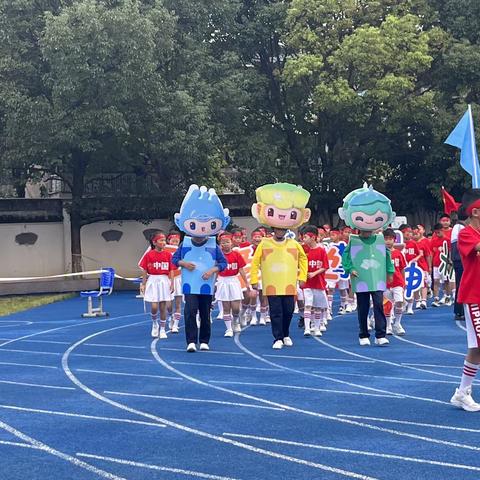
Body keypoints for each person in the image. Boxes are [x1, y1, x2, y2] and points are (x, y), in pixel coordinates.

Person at [250, 182, 310, 349]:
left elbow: (303, 259)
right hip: (272, 283)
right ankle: (277, 337)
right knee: (275, 312)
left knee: (289, 311)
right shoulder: (265, 243)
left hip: (289, 283)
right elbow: (255, 261)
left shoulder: (294, 244)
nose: (280, 232)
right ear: (273, 229)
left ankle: (286, 334)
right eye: (277, 229)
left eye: (283, 230)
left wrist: (302, 276)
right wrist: (254, 279)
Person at [172, 185, 229, 352]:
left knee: (205, 313)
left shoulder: (213, 244)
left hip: (206, 285)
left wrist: (212, 270)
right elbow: (175, 259)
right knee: (190, 312)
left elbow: (223, 263)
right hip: (190, 284)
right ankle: (190, 341)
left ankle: (204, 340)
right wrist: (184, 263)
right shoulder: (185, 243)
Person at [339, 184, 395, 346]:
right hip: (361, 278)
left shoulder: (379, 239)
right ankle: (363, 334)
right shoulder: (353, 240)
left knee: (378, 304)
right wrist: (350, 269)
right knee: (362, 307)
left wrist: (389, 272)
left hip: (377, 278)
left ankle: (380, 334)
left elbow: (386, 257)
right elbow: (346, 256)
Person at [450, 189, 480, 411]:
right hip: (474, 296)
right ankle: (462, 392)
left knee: (476, 347)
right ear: (476, 212)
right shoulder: (466, 234)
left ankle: (462, 392)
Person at [139, 232, 175, 339]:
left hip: (164, 281)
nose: (164, 242)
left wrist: (172, 283)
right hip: (153, 280)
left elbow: (172, 270)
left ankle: (163, 329)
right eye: (161, 240)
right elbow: (145, 270)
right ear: (154, 242)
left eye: (164, 240)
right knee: (154, 307)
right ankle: (155, 323)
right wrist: (143, 284)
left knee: (163, 306)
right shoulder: (149, 255)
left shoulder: (168, 255)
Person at [215, 232, 250, 336]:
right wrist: (214, 284)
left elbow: (241, 269)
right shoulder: (218, 256)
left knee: (235, 307)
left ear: (231, 243)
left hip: (234, 280)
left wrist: (247, 283)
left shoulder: (236, 254)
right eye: (223, 243)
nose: (225, 244)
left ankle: (236, 320)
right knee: (226, 307)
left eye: (227, 242)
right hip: (222, 281)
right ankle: (229, 329)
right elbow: (215, 270)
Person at [301, 225, 330, 337]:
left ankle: (317, 328)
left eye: (305, 237)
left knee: (317, 306)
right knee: (308, 305)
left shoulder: (321, 250)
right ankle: (307, 328)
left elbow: (325, 266)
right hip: (307, 283)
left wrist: (314, 273)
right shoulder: (303, 250)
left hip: (318, 282)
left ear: (313, 237)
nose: (303, 240)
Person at [383, 229, 407, 335]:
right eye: (386, 239)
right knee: (387, 304)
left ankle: (397, 323)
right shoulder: (381, 254)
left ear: (394, 240)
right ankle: (388, 325)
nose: (388, 241)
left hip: (397, 283)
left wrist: (403, 282)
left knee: (399, 302)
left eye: (390, 239)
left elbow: (402, 269)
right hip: (385, 284)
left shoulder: (398, 254)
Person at [399, 225, 422, 314]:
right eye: (407, 232)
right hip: (400, 269)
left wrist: (416, 258)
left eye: (410, 232)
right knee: (401, 288)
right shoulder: (398, 244)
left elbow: (420, 253)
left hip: (410, 268)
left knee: (410, 287)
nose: (409, 234)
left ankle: (410, 307)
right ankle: (403, 303)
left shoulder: (413, 243)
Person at [166, 231, 183, 333]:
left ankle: (176, 324)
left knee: (178, 303)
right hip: (167, 279)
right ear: (169, 240)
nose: (175, 241)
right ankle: (170, 316)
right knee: (168, 304)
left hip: (179, 278)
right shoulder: (165, 250)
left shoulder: (182, 250)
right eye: (173, 240)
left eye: (177, 240)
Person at [451, 218, 466, 320]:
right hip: (460, 261)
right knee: (461, 285)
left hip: (460, 261)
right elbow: (457, 247)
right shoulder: (459, 227)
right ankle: (459, 311)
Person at [413, 226, 431, 309]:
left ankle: (424, 300)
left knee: (424, 284)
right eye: (414, 234)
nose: (415, 235)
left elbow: (428, 255)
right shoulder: (410, 243)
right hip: (413, 267)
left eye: (417, 233)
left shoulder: (424, 242)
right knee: (415, 284)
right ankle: (417, 300)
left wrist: (429, 267)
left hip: (423, 267)